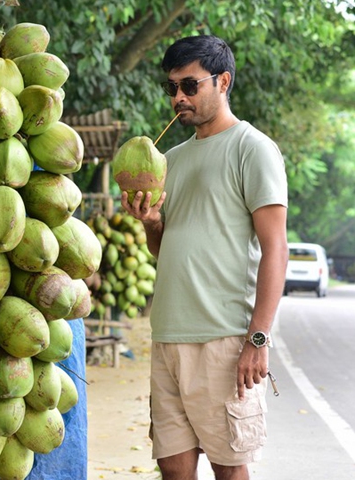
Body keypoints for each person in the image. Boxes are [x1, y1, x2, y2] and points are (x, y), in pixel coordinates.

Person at [121, 35, 288, 480]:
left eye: (190, 86)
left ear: (223, 81)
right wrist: (151, 221)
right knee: (173, 470)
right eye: (172, 88)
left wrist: (258, 339)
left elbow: (276, 248)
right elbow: (165, 249)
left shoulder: (252, 149)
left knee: (229, 470)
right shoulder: (167, 160)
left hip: (223, 340)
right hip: (168, 336)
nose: (178, 97)